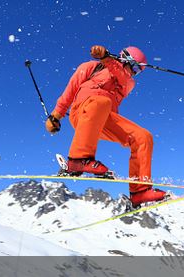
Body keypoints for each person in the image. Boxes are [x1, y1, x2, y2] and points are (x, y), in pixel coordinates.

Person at [45, 45, 167, 207]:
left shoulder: (128, 83)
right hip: (82, 112)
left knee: (143, 137)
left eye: (138, 71)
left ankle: (140, 191)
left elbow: (122, 76)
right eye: (135, 68)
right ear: (125, 59)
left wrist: (107, 58)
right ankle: (78, 159)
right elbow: (70, 90)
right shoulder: (90, 67)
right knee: (102, 101)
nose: (134, 73)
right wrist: (56, 115)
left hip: (104, 118)